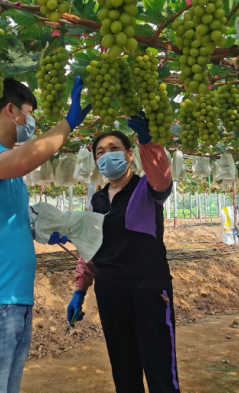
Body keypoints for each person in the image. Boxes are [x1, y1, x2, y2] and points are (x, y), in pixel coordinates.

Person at [0, 76, 91, 393]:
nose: (32, 122)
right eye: (30, 113)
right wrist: (67, 123)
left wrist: (42, 228)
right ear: (12, 111)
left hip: (13, 302)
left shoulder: (10, 178)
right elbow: (23, 159)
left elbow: (7, 219)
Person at [66, 113, 179, 393]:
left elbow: (163, 179)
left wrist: (150, 144)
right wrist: (81, 288)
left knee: (160, 367)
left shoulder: (147, 188)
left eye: (114, 149)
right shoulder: (97, 198)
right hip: (110, 291)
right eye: (100, 153)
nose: (107, 156)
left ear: (129, 155)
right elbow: (89, 245)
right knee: (124, 368)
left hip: (148, 291)